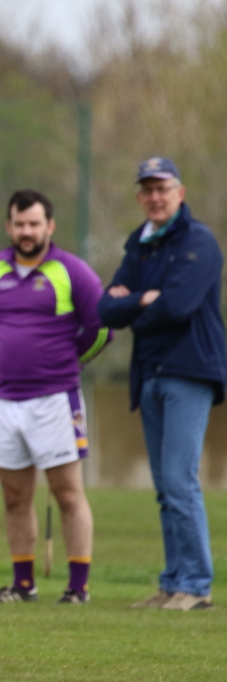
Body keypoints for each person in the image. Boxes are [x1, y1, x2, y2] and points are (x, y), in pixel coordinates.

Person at [98, 157, 225, 612]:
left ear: (180, 193)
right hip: (149, 371)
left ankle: (196, 584)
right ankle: (173, 582)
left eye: (163, 188)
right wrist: (141, 300)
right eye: (147, 189)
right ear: (140, 197)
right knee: (163, 484)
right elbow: (105, 311)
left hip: (188, 370)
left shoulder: (199, 242)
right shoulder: (140, 244)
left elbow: (178, 306)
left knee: (178, 478)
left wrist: (134, 305)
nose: (155, 197)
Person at [0, 190, 111, 605]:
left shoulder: (72, 272)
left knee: (67, 493)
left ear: (49, 226)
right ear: (9, 226)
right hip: (5, 400)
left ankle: (78, 587)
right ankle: (23, 584)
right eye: (20, 224)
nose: (27, 231)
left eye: (35, 224)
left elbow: (101, 327)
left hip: (56, 399)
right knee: (14, 495)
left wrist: (72, 364)